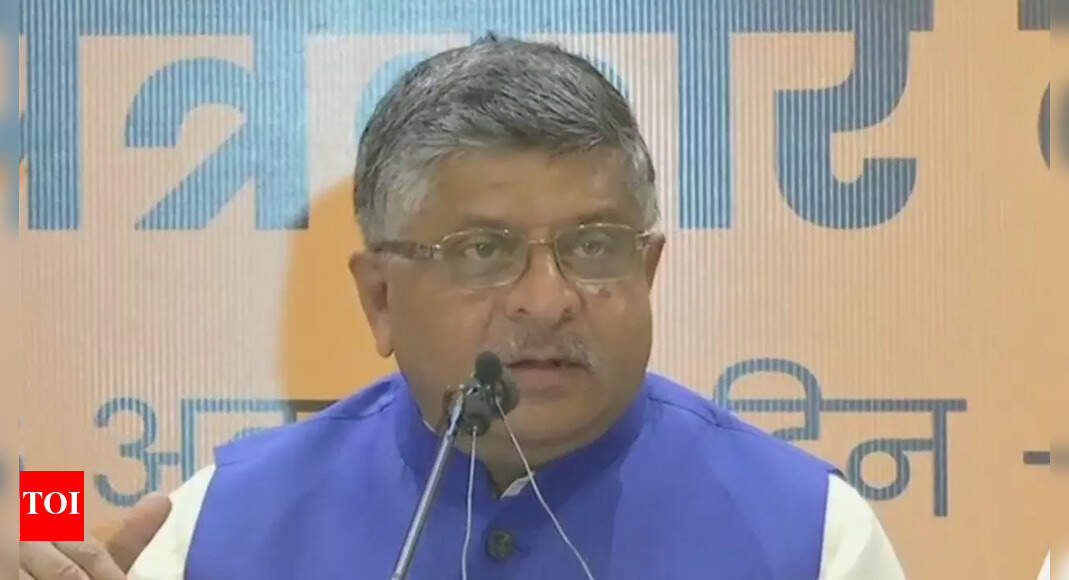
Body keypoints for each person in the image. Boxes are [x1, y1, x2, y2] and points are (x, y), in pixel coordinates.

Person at [13, 35, 905, 579]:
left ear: (648, 271)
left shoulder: (812, 540)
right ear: (380, 297)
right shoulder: (215, 533)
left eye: (594, 246)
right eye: (483, 251)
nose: (547, 301)